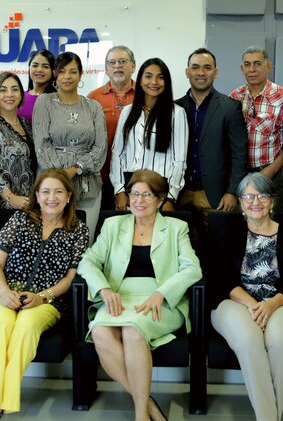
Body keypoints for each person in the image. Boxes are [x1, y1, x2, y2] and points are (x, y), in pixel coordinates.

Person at [0, 168, 89, 421]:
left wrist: (43, 297)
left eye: (58, 192)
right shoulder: (20, 219)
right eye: (45, 192)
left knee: (25, 326)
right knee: (0, 323)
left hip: (48, 300)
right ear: (36, 195)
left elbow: (71, 277)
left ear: (68, 196)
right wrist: (4, 292)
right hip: (1, 293)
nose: (51, 197)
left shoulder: (79, 230)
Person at [78, 169, 202, 421]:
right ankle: (148, 405)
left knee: (133, 331)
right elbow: (87, 262)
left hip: (159, 301)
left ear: (160, 199)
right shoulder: (113, 225)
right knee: (100, 331)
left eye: (147, 195)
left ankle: (139, 415)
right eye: (134, 194)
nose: (139, 200)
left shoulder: (177, 228)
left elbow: (193, 269)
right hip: (119, 297)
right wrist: (104, 288)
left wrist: (162, 293)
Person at [210, 172, 283, 421]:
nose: (256, 201)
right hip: (235, 302)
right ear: (241, 202)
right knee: (250, 341)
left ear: (272, 201)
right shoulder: (227, 229)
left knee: (282, 342)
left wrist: (270, 305)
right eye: (249, 196)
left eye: (262, 195)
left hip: (281, 302)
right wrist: (253, 305)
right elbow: (219, 278)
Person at [33, 51, 107, 239]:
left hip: (87, 184)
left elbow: (100, 148)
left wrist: (74, 169)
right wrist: (61, 177)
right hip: (52, 187)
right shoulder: (44, 102)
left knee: (85, 240)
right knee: (53, 240)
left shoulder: (93, 106)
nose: (67, 77)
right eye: (62, 71)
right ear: (55, 74)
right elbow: (41, 143)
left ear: (81, 75)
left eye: (73, 72)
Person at [175, 48, 248, 221]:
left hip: (216, 196)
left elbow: (239, 154)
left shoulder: (230, 107)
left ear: (216, 72)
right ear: (187, 72)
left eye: (207, 67)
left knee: (215, 246)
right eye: (195, 67)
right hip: (180, 193)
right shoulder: (175, 108)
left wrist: (232, 192)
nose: (201, 72)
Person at [110, 58, 188, 210]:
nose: (154, 82)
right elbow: (118, 154)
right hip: (130, 187)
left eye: (160, 77)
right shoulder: (127, 111)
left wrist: (171, 197)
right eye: (148, 76)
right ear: (139, 80)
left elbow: (179, 160)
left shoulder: (177, 113)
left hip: (159, 190)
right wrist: (119, 190)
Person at [229, 46, 283, 214]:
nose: (252, 69)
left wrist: (270, 171)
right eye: (247, 64)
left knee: (273, 224)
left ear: (268, 66)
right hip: (239, 175)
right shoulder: (234, 97)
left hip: (271, 173)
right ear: (242, 69)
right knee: (242, 225)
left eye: (257, 64)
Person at [87, 45, 137, 209]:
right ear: (106, 69)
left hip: (136, 177)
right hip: (100, 175)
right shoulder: (92, 98)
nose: (117, 66)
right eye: (112, 62)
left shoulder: (145, 95)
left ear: (133, 66)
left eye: (122, 61)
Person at [0, 72, 37, 210]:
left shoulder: (25, 123)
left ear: (21, 94)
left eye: (15, 89)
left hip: (29, 203)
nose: (9, 94)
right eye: (3, 90)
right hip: (6, 205)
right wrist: (10, 197)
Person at [18, 49, 56, 122]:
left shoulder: (57, 99)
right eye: (35, 65)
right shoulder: (19, 96)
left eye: (45, 66)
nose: (39, 70)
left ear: (53, 71)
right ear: (29, 69)